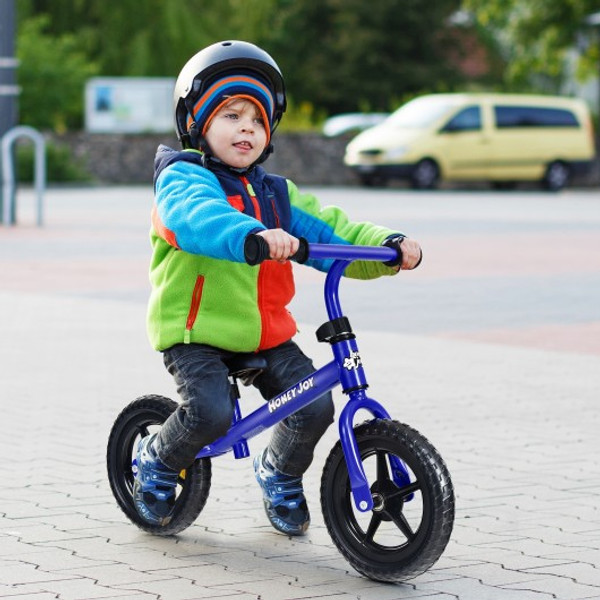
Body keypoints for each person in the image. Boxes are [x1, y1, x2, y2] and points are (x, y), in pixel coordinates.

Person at [133, 40, 422, 535]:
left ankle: (279, 473)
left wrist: (388, 246)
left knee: (314, 406)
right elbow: (197, 218)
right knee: (210, 412)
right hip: (195, 332)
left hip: (265, 333)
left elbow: (335, 231)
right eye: (232, 115)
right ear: (199, 125)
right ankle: (156, 461)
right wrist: (251, 235)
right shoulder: (184, 179)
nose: (247, 127)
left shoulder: (276, 194)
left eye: (257, 120)